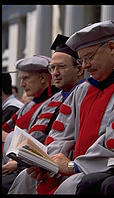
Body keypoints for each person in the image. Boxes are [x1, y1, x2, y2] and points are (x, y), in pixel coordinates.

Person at [8, 20, 114, 195]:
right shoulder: (82, 90)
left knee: (70, 186)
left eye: (89, 57)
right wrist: (46, 163)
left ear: (111, 48)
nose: (85, 66)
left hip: (105, 168)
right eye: (81, 59)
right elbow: (61, 136)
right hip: (73, 165)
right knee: (26, 178)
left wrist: (73, 166)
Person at [5, 34, 84, 194]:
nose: (55, 73)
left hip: (72, 166)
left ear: (79, 69)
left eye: (61, 67)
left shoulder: (85, 95)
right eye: (52, 68)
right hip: (46, 163)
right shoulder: (50, 101)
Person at [2, 55, 60, 194]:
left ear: (43, 78)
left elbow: (35, 139)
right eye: (21, 79)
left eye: (26, 78)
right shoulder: (29, 106)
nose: (22, 84)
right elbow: (6, 128)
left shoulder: (53, 103)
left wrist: (16, 161)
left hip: (27, 166)